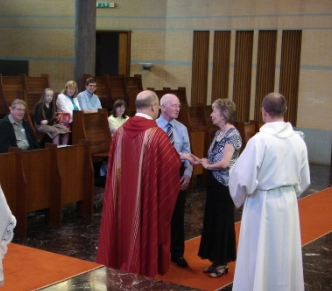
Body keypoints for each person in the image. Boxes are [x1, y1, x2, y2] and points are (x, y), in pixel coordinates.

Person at [96, 90, 196, 278]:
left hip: (122, 198)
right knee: (140, 230)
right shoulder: (156, 135)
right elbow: (171, 165)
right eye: (158, 106)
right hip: (144, 200)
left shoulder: (120, 132)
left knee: (122, 229)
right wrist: (182, 157)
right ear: (153, 106)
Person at [229, 92, 310, 291]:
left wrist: (239, 197)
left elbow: (242, 177)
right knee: (282, 250)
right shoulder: (298, 140)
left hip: (262, 202)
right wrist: (289, 193)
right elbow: (305, 179)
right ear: (285, 111)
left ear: (263, 112)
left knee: (260, 249)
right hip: (288, 201)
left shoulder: (260, 141)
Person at [194, 98, 241, 278]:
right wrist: (202, 161)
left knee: (222, 222)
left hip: (224, 186)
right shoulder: (218, 133)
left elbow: (223, 163)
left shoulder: (232, 135)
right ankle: (215, 260)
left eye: (214, 111)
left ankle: (223, 263)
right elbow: (213, 159)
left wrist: (206, 166)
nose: (211, 114)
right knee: (213, 221)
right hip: (214, 184)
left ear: (223, 115)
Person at [156, 93, 192, 268]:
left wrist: (188, 173)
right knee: (160, 216)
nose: (178, 109)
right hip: (159, 175)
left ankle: (177, 253)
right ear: (163, 107)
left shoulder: (181, 128)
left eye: (179, 106)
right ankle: (157, 252)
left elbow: (187, 152)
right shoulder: (153, 127)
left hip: (178, 173)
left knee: (178, 215)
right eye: (175, 105)